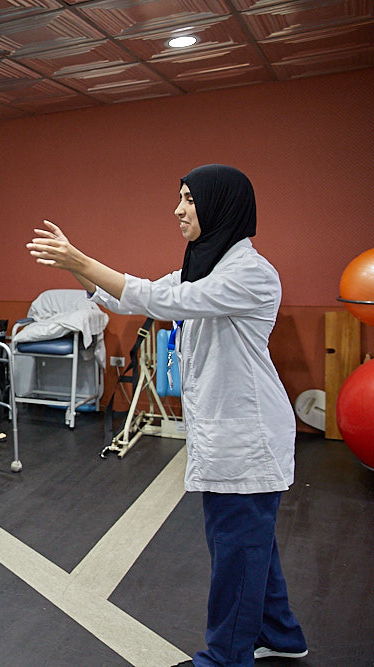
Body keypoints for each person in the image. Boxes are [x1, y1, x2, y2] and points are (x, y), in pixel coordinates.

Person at [26, 165, 308, 667]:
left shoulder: (250, 273)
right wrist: (73, 267)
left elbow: (160, 299)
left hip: (248, 440)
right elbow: (135, 297)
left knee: (236, 557)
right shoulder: (206, 269)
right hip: (229, 437)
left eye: (188, 199)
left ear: (221, 206)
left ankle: (224, 659)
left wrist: (84, 259)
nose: (178, 210)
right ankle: (281, 635)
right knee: (248, 550)